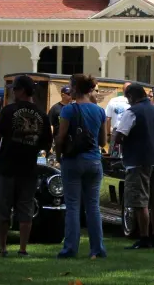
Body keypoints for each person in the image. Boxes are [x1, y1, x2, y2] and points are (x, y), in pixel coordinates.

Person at [0, 75, 52, 257]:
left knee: (2, 207)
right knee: (26, 209)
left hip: (6, 167)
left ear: (22, 90)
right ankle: (23, 249)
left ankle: (3, 247)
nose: (12, 92)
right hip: (29, 169)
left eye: (14, 88)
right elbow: (46, 145)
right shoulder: (42, 115)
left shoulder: (8, 111)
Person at [55, 74, 107, 259]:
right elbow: (102, 141)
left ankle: (70, 249)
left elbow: (61, 137)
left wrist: (59, 156)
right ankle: (97, 249)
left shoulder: (68, 110)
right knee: (93, 207)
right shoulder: (99, 111)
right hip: (94, 160)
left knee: (73, 206)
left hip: (73, 160)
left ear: (75, 88)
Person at [114, 83, 154, 250]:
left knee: (140, 201)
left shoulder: (132, 112)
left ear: (132, 97)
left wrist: (115, 134)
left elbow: (120, 136)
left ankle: (144, 238)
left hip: (137, 161)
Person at [106, 86, 131, 154]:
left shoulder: (113, 100)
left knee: (112, 154)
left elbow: (108, 119)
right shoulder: (134, 101)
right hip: (129, 131)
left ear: (123, 90)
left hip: (116, 131)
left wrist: (108, 134)